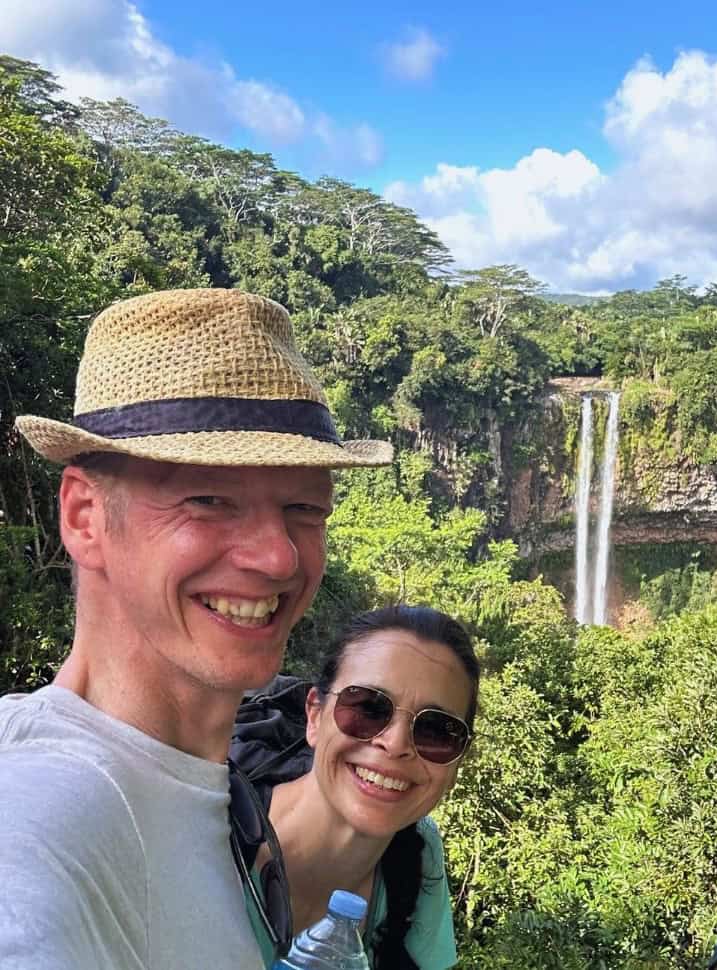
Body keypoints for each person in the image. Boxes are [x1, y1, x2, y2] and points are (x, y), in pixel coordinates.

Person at [0, 288, 391, 970]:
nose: (279, 557)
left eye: (304, 508)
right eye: (208, 500)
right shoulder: (45, 817)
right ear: (85, 517)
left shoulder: (206, 791)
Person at [231, 604, 480, 970]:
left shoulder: (418, 852)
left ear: (458, 760)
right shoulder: (210, 838)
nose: (395, 744)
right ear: (314, 716)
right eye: (367, 708)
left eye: (435, 731)